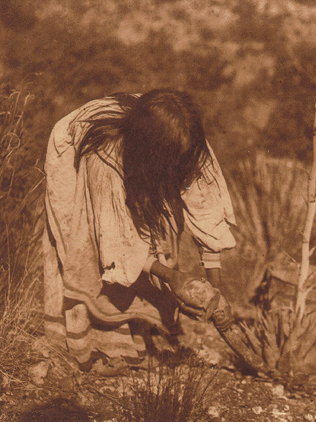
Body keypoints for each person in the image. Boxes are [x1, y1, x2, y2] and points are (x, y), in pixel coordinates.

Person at [43, 89, 236, 372]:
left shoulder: (188, 141)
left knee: (163, 228)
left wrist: (214, 291)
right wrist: (172, 277)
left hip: (146, 155)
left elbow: (206, 209)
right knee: (85, 244)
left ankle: (142, 332)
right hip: (75, 153)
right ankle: (101, 343)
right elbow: (115, 244)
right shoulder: (105, 156)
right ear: (153, 153)